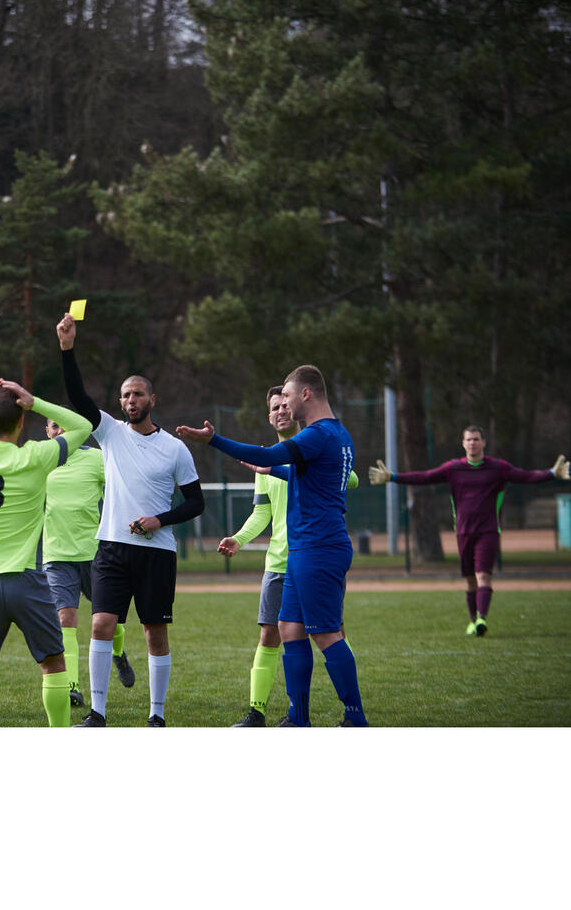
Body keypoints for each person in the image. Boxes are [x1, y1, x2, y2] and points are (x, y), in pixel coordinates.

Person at [178, 364, 368, 727]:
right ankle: (298, 718)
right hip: (302, 550)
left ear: (306, 394)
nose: (285, 402)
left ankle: (355, 719)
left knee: (327, 633)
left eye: (289, 395)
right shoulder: (335, 434)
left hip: (319, 547)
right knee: (289, 629)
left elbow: (270, 456)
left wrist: (213, 440)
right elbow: (303, 474)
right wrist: (271, 472)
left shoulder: (320, 434)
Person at [57, 311, 204, 727]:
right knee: (101, 624)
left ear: (152, 400)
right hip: (112, 549)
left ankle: (156, 715)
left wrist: (159, 520)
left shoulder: (175, 448)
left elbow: (195, 504)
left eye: (138, 394)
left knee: (154, 634)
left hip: (157, 554)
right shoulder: (109, 433)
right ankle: (98, 712)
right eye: (125, 395)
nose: (130, 400)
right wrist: (67, 348)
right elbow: (78, 397)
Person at [0, 378, 93, 727]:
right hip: (28, 581)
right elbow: (84, 425)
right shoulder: (37, 456)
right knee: (53, 664)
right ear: (22, 421)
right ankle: (60, 731)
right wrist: (34, 401)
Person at [219, 386, 359, 727]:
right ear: (269, 416)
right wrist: (239, 539)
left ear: (297, 406)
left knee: (331, 630)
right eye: (274, 407)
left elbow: (350, 478)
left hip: (315, 553)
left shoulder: (315, 444)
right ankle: (259, 712)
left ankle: (353, 712)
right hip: (280, 561)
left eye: (285, 404)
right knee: (274, 632)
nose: (281, 410)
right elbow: (261, 514)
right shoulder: (265, 460)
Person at [369, 427, 571, 636]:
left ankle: (482, 619)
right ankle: (473, 621)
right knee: (470, 579)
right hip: (463, 532)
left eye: (476, 439)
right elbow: (424, 477)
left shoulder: (499, 468)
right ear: (463, 443)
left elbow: (526, 476)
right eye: (469, 439)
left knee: (483, 575)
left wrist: (550, 473)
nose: (472, 443)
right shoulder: (453, 469)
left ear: (484, 442)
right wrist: (392, 476)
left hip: (489, 531)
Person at [41, 416, 134, 708]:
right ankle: (72, 686)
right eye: (53, 426)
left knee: (110, 620)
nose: (59, 430)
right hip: (56, 555)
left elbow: (119, 495)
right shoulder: (41, 461)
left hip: (95, 553)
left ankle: (118, 653)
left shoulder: (97, 459)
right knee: (64, 619)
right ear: (47, 432)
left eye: (63, 425)